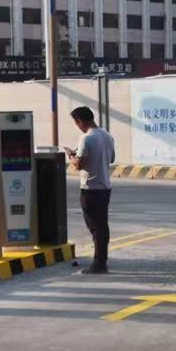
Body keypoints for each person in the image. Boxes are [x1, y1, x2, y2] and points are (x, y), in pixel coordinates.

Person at [66, 106, 115, 274]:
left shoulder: (86, 138)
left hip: (91, 188)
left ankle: (99, 263)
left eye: (76, 122)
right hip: (105, 187)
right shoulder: (107, 135)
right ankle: (101, 260)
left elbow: (80, 165)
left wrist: (72, 156)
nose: (77, 125)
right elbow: (111, 158)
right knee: (102, 226)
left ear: (79, 121)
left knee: (96, 228)